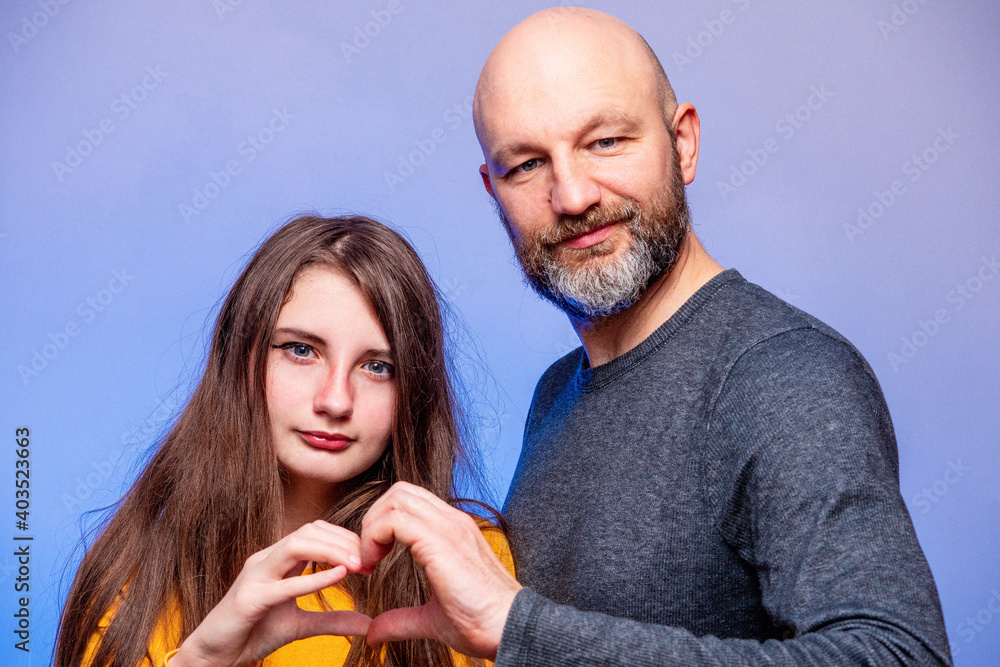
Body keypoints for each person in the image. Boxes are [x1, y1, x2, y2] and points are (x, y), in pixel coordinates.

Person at [354, 7, 953, 666]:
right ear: (493, 191)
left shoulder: (785, 375)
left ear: (684, 143)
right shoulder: (556, 394)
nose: (573, 194)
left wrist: (518, 625)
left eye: (605, 141)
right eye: (526, 165)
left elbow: (898, 656)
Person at [55, 215, 512, 667]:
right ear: (239, 357)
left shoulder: (468, 561)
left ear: (414, 390)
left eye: (377, 367)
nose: (335, 401)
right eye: (301, 350)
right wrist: (202, 661)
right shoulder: (135, 577)